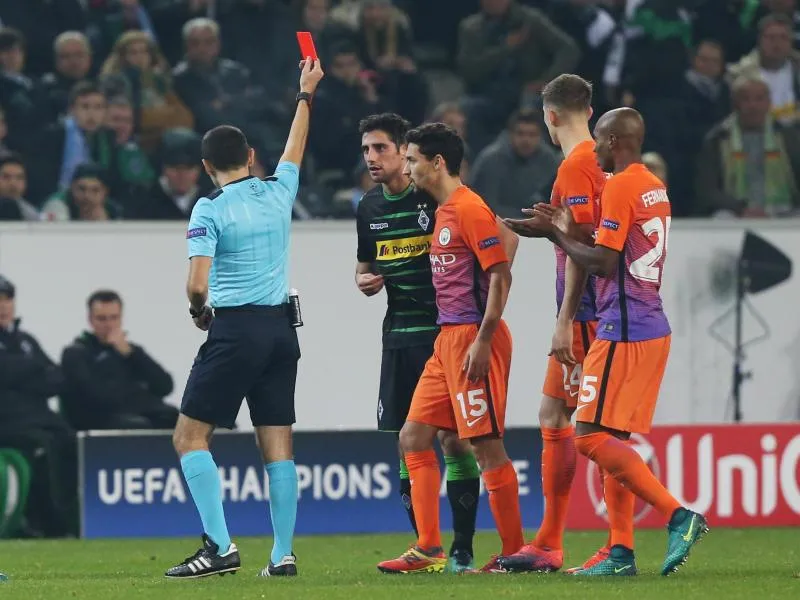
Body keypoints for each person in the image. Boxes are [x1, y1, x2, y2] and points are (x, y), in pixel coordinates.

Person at [519, 107, 708, 576]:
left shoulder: (620, 185)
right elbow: (611, 248)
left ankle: (679, 515)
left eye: (602, 140)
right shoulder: (653, 185)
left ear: (617, 141)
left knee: (588, 436)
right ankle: (621, 553)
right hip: (649, 326)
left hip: (622, 329)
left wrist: (557, 236)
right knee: (613, 439)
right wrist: (564, 230)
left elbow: (602, 263)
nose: (596, 148)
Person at [164, 57, 324, 579]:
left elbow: (195, 283)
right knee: (277, 444)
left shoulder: (209, 208)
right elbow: (295, 146)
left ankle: (219, 547)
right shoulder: (279, 191)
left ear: (208, 167)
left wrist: (198, 311)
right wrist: (306, 94)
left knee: (189, 438)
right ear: (252, 157)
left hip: (235, 329)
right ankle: (282, 555)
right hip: (282, 330)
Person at [377, 123, 522, 574]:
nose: (408, 166)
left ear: (437, 163)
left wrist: (481, 338)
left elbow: (502, 274)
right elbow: (509, 238)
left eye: (414, 159)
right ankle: (428, 547)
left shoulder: (467, 208)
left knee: (485, 447)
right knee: (413, 437)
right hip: (447, 339)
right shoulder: (446, 209)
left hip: (474, 339)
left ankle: (516, 553)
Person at [499, 74, 623, 574]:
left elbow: (582, 254)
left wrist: (564, 321)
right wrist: (550, 230)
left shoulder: (575, 167)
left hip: (587, 316)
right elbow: (586, 234)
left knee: (593, 431)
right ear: (589, 111)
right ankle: (552, 542)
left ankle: (616, 544)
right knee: (556, 416)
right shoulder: (606, 165)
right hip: (603, 311)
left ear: (550, 117)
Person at [355, 113, 482, 572]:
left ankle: (462, 548)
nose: (372, 157)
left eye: (382, 149)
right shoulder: (368, 208)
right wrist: (364, 279)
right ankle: (424, 547)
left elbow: (487, 242)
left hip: (444, 332)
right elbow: (365, 266)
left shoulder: (433, 196)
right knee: (406, 441)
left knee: (453, 440)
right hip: (398, 334)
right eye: (367, 149)